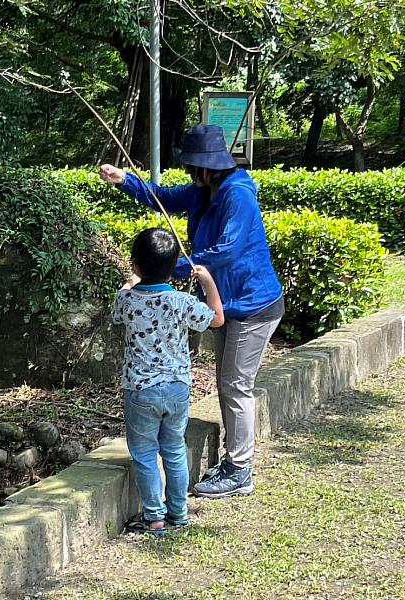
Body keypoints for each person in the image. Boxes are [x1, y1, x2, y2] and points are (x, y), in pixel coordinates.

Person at [100, 123, 284, 499]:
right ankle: (235, 461)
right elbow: (164, 197)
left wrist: (167, 271)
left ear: (207, 166)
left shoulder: (237, 195)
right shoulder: (206, 189)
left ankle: (239, 469)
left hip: (253, 305)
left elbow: (225, 252)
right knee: (227, 384)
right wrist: (126, 181)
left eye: (191, 166)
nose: (188, 174)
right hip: (226, 305)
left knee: (235, 387)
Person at [113, 227, 224, 534]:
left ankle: (154, 517)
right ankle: (179, 511)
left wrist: (131, 281)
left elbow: (119, 305)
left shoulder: (127, 300)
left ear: (135, 263)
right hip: (177, 388)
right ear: (175, 265)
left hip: (141, 390)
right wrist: (208, 282)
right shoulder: (179, 301)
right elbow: (217, 319)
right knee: (174, 448)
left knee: (145, 452)